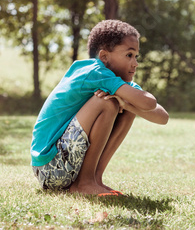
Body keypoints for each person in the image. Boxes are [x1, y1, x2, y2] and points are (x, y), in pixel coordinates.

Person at [30, 19, 169, 196]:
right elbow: (148, 102)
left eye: (136, 56)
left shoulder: (116, 81)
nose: (135, 63)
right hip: (49, 167)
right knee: (107, 102)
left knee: (127, 107)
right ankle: (85, 183)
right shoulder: (94, 72)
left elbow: (162, 116)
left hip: (64, 167)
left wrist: (127, 104)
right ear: (104, 56)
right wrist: (123, 101)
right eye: (129, 55)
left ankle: (94, 179)